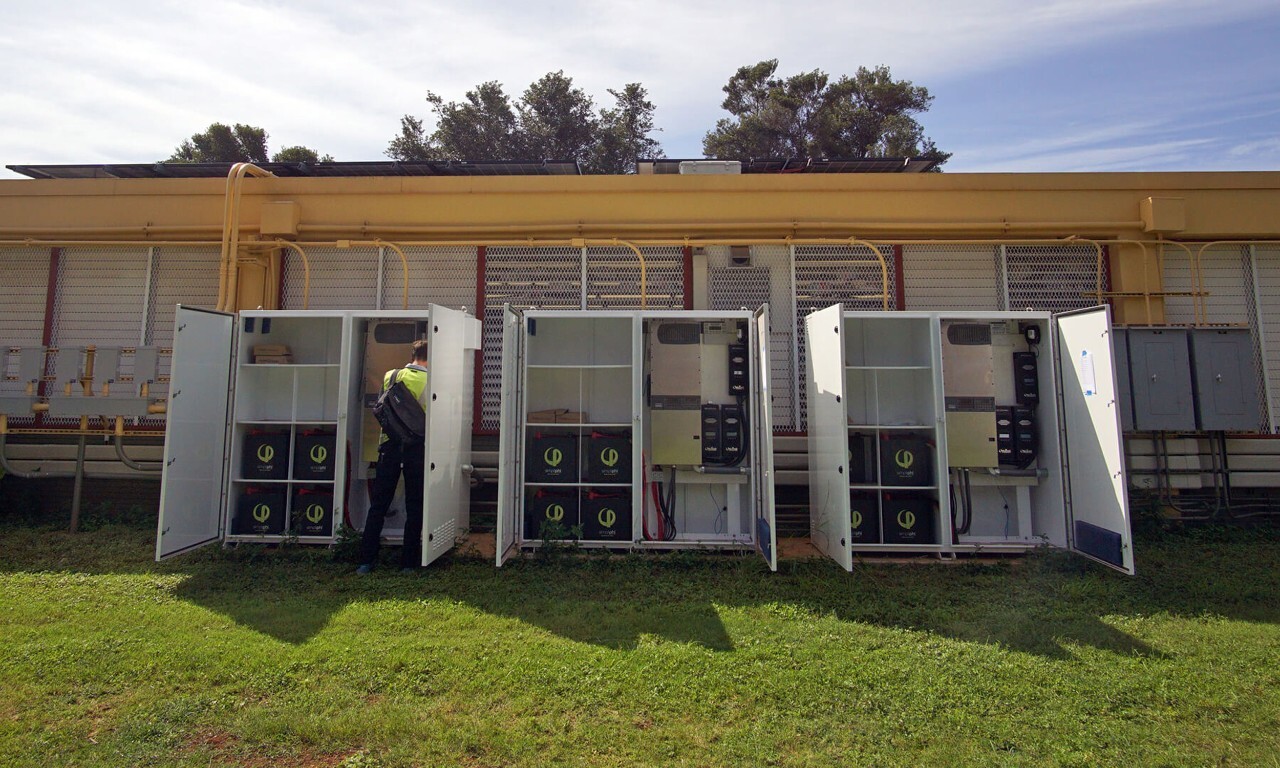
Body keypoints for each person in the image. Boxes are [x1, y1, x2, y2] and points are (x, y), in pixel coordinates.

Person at [357, 339, 429, 574]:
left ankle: (366, 560)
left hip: (388, 446)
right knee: (414, 505)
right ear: (430, 357)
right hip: (416, 449)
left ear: (412, 355)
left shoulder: (391, 375)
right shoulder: (430, 381)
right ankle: (408, 563)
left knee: (378, 505)